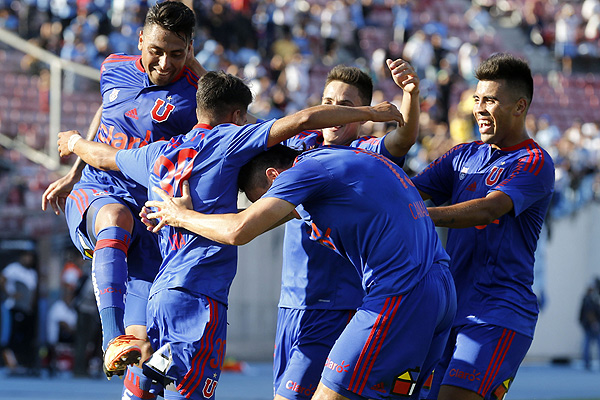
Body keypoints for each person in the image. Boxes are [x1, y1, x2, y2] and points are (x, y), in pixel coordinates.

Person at [56, 70, 406, 400]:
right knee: (187, 389)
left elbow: (105, 156)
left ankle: (148, 373)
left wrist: (73, 141)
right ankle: (159, 366)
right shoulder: (229, 140)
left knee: (149, 377)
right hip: (200, 294)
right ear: (238, 116)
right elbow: (302, 120)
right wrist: (370, 112)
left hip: (160, 293)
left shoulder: (156, 152)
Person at [142, 144, 457, 400]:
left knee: (328, 395)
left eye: (263, 198)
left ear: (274, 176)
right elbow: (261, 216)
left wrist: (179, 215)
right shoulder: (339, 162)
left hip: (400, 293)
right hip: (441, 289)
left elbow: (239, 230)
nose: (267, 206)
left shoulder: (305, 172)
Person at [40, 0, 206, 384]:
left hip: (152, 218)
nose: (165, 63)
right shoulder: (114, 67)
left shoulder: (197, 94)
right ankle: (110, 336)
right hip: (98, 192)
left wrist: (197, 69)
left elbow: (236, 115)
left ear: (191, 50)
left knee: (144, 353)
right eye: (156, 52)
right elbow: (107, 112)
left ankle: (132, 356)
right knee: (115, 220)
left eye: (177, 54)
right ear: (140, 39)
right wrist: (74, 173)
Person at [411, 53, 555, 400]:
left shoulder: (534, 162)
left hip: (498, 314)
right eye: (476, 99)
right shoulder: (462, 155)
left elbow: (487, 210)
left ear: (519, 107)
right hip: (448, 313)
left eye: (490, 100)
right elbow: (406, 191)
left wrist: (418, 216)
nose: (478, 108)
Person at [274, 59, 420, 400]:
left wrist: (410, 95)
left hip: (335, 305)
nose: (335, 112)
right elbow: (244, 124)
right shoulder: (299, 145)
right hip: (291, 303)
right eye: (328, 103)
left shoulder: (363, 153)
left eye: (347, 106)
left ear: (364, 113)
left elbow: (402, 138)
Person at [579, 284, 600, 370]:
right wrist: (594, 323)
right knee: (588, 344)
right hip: (591, 324)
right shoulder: (590, 299)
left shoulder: (586, 299)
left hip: (588, 324)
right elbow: (589, 312)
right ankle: (587, 362)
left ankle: (587, 362)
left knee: (587, 343)